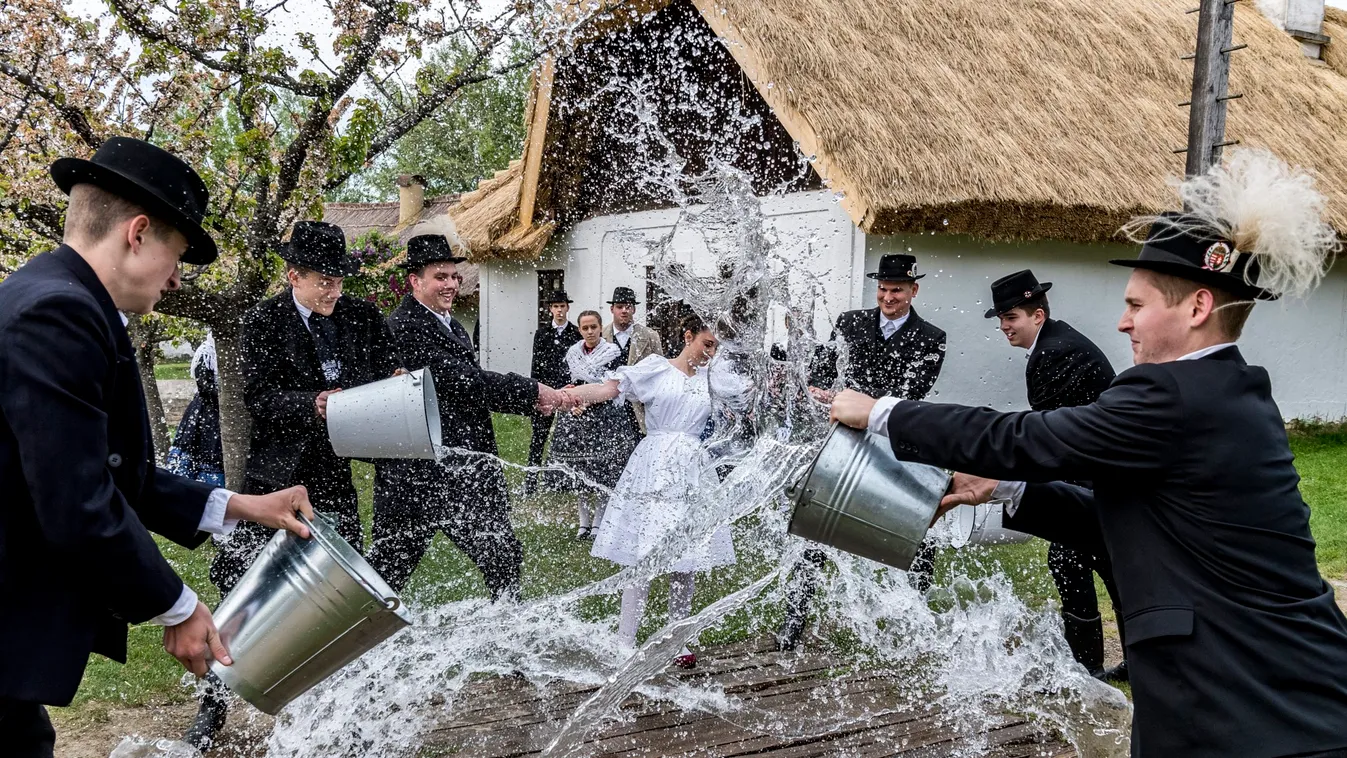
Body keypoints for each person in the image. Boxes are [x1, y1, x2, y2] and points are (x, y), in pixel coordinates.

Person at [831, 150, 1347, 757]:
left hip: (1255, 715)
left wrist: (882, 412)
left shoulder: (1173, 394)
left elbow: (1023, 438)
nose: (1123, 323)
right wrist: (1003, 489)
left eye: (1136, 305)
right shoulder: (1228, 392)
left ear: (1198, 308)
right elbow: (1125, 523)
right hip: (1270, 702)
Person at [0, 137, 312, 758]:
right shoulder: (57, 314)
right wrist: (177, 605)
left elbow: (119, 472)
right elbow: (78, 502)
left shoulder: (63, 297)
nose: (175, 280)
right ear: (137, 233)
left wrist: (245, 506)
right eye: (177, 257)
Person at [192, 219, 403, 748]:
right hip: (272, 480)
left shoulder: (362, 316)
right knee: (242, 589)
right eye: (323, 280)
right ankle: (213, 705)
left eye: (339, 279)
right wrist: (313, 404)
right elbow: (257, 401)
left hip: (333, 479)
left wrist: (393, 384)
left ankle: (339, 708)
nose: (334, 290)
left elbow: (386, 370)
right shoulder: (261, 321)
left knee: (342, 593)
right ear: (293, 276)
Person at [368, 234, 573, 597]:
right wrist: (532, 391)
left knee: (502, 555)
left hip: (465, 466)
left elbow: (469, 386)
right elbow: (460, 382)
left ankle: (509, 630)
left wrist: (531, 395)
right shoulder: (405, 327)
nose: (450, 285)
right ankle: (353, 643)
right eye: (440, 277)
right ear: (415, 281)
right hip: (421, 474)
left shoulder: (451, 324)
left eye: (453, 276)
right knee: (389, 568)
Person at [777, 253, 948, 651]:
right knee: (817, 524)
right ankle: (794, 618)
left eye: (898, 291)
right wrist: (819, 388)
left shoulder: (932, 337)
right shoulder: (850, 321)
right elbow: (823, 368)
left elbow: (913, 393)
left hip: (895, 440)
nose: (889, 298)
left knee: (917, 525)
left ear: (913, 291)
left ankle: (915, 616)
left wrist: (859, 404)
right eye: (884, 290)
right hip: (843, 440)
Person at [564, 313, 744, 669]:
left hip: (693, 470)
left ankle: (678, 635)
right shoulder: (656, 368)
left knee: (685, 556)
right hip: (655, 464)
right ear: (688, 336)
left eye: (716, 348)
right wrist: (566, 395)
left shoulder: (714, 378)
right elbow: (608, 388)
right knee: (643, 555)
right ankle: (625, 641)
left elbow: (753, 395)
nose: (711, 353)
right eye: (706, 344)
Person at [985, 269, 1126, 682]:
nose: (1004, 327)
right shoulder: (1056, 343)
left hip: (1101, 475)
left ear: (1038, 315)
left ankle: (1087, 667)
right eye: (1001, 319)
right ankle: (1115, 661)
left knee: (1072, 557)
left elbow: (1045, 436)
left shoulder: (1054, 352)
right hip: (1098, 473)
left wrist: (996, 469)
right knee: (1099, 561)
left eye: (1011, 317)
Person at [548, 310, 636, 539]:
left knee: (602, 470)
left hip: (603, 416)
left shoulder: (612, 352)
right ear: (579, 330)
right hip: (576, 416)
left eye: (593, 327)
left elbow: (610, 385)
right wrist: (573, 403)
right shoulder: (572, 354)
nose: (589, 332)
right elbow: (566, 382)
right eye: (585, 328)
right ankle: (583, 522)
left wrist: (586, 400)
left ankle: (598, 522)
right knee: (580, 471)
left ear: (600, 328)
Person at [525, 290, 580, 494]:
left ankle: (565, 482)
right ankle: (530, 481)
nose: (559, 310)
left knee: (569, 436)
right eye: (555, 306)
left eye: (562, 306)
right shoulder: (541, 334)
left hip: (567, 390)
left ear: (567, 308)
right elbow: (536, 365)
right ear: (550, 309)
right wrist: (536, 393)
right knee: (539, 437)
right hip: (546, 391)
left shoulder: (575, 334)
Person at [602, 286, 664, 436]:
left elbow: (660, 372)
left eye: (628, 306)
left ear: (634, 310)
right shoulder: (600, 336)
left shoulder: (650, 336)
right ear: (612, 309)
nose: (624, 310)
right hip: (606, 405)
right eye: (619, 307)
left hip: (639, 407)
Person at [167, 332, 225, 486]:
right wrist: (226, 401)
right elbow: (204, 387)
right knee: (206, 450)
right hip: (206, 412)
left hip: (226, 411)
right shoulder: (206, 352)